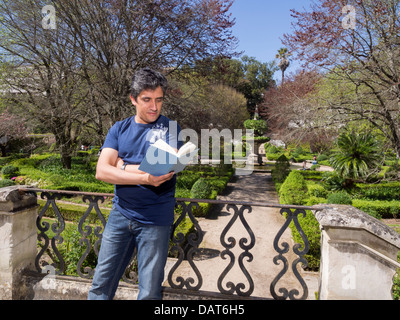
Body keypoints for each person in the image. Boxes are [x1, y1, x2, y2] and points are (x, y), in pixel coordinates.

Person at [88, 68, 183, 300]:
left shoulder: (171, 129)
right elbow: (101, 171)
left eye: (159, 100)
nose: (154, 106)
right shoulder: (119, 128)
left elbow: (161, 172)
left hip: (155, 220)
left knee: (149, 293)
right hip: (120, 215)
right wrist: (143, 176)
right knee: (101, 285)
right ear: (133, 99)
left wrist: (121, 166)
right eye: (147, 100)